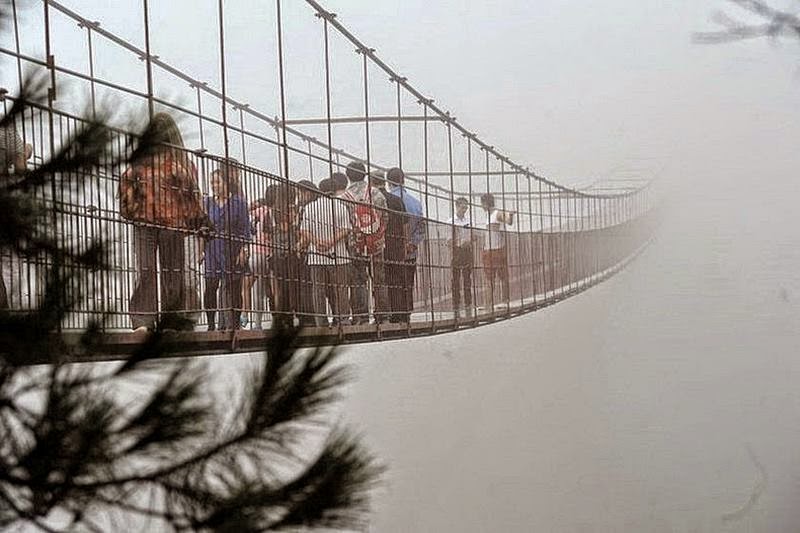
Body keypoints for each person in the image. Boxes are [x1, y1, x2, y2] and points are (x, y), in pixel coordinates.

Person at [120, 112, 207, 331]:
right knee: (163, 272)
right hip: (160, 223)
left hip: (156, 222)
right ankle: (159, 320)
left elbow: (126, 186)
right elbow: (193, 194)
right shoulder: (179, 163)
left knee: (155, 271)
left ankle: (150, 321)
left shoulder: (148, 163)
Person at [201, 162, 250, 331]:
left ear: (226, 183)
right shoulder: (206, 202)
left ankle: (235, 324)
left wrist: (244, 249)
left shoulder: (239, 203)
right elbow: (203, 227)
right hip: (212, 248)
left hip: (233, 248)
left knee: (234, 287)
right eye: (212, 182)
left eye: (217, 182)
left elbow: (245, 228)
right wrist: (201, 250)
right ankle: (210, 323)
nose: (214, 186)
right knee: (211, 285)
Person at [298, 177, 351, 327]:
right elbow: (346, 229)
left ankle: (320, 321)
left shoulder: (310, 207)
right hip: (338, 255)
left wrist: (316, 242)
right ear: (334, 191)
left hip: (316, 256)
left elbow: (304, 230)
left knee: (318, 289)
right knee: (340, 288)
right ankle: (343, 319)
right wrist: (331, 241)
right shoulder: (340, 206)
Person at [341, 161, 388, 325]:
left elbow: (343, 223)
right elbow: (385, 218)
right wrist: (378, 236)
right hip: (376, 244)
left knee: (358, 281)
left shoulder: (344, 197)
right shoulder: (376, 194)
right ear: (365, 174)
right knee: (379, 280)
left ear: (347, 176)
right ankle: (382, 316)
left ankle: (361, 316)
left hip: (356, 244)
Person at [0, 119, 33, 310]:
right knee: (10, 263)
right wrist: (27, 150)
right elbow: (20, 167)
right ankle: (13, 313)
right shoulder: (8, 129)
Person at [386, 167, 424, 324]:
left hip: (392, 250)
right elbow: (422, 228)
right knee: (408, 281)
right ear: (404, 180)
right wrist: (412, 244)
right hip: (410, 251)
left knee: (392, 282)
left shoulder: (387, 200)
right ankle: (407, 311)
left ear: (388, 182)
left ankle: (395, 312)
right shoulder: (416, 203)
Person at [370, 170, 408, 323]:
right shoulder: (396, 200)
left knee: (379, 280)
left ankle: (382, 313)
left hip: (378, 245)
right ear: (384, 182)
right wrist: (405, 243)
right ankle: (400, 313)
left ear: (371, 183)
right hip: (396, 244)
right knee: (397, 280)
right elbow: (405, 224)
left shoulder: (371, 199)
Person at [267, 182, 300, 328]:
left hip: (277, 254)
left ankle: (280, 315)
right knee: (292, 286)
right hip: (291, 253)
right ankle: (292, 315)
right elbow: (294, 227)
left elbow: (268, 232)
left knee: (278, 288)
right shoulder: (293, 209)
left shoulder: (273, 211)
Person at [244, 195, 273, 330]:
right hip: (267, 255)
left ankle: (255, 322)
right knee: (272, 290)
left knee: (256, 291)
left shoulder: (252, 215)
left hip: (253, 255)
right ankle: (278, 318)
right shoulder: (270, 212)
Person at [480, 192, 514, 309]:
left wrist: (510, 216)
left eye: (482, 204)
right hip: (488, 251)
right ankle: (488, 304)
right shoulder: (487, 216)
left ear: (486, 203)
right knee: (489, 279)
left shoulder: (496, 213)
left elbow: (508, 221)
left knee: (502, 277)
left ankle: (505, 301)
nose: (481, 207)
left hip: (498, 250)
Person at [447, 197, 475, 318]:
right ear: (457, 206)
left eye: (466, 207)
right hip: (457, 251)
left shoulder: (469, 221)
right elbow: (448, 240)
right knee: (456, 280)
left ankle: (468, 304)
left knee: (467, 279)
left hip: (467, 251)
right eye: (463, 207)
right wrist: (457, 244)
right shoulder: (450, 221)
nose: (465, 210)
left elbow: (473, 236)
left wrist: (470, 241)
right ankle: (456, 306)